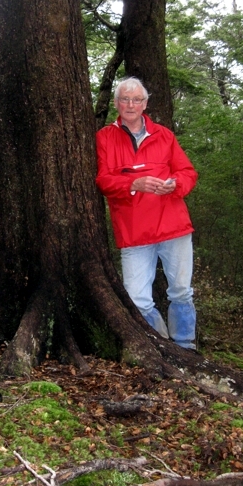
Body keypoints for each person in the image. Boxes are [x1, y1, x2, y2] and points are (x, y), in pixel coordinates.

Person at [95, 77, 198, 349]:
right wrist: (133, 183)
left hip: (173, 226)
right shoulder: (105, 137)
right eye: (125, 99)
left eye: (136, 99)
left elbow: (188, 172)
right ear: (117, 103)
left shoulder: (164, 135)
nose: (131, 104)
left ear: (145, 103)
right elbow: (103, 181)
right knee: (138, 300)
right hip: (134, 231)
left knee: (181, 292)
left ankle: (186, 347)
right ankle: (164, 346)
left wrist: (176, 185)